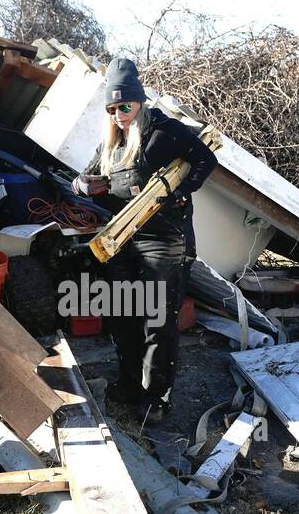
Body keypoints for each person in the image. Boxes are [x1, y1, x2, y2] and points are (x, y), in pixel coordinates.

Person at [73, 58, 218, 424]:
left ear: (139, 102)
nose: (120, 114)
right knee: (123, 314)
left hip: (165, 242)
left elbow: (205, 159)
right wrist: (84, 186)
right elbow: (82, 177)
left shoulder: (164, 132)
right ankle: (128, 385)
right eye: (112, 108)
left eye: (126, 106)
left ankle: (157, 398)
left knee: (156, 318)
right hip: (122, 238)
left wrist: (179, 192)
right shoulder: (113, 142)